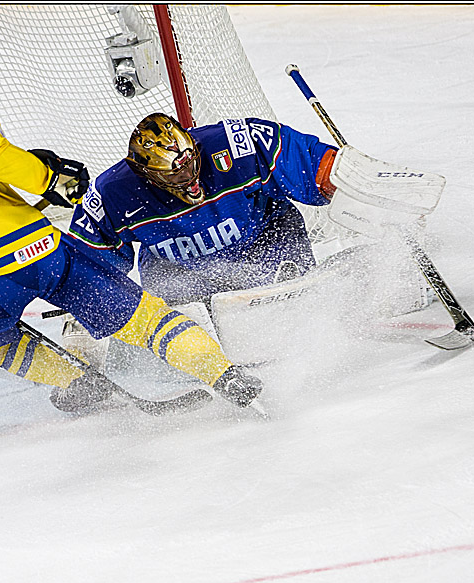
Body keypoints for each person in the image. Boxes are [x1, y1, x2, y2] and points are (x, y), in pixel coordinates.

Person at [0, 50, 263, 418]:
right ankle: (223, 373)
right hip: (27, 248)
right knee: (142, 317)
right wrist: (50, 178)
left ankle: (74, 381)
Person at [57, 112, 338, 394]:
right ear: (146, 174)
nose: (190, 177)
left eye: (191, 163)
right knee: (174, 320)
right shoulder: (110, 194)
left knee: (296, 313)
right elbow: (86, 276)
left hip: (265, 243)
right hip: (184, 271)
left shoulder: (235, 142)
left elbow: (309, 162)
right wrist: (80, 357)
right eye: (176, 173)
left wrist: (341, 178)